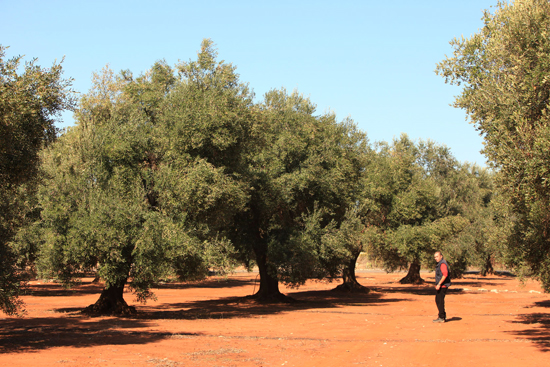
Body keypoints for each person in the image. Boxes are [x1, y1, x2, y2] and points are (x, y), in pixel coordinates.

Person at [433, 251, 451, 323]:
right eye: (435, 257)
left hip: (443, 286)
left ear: (441, 256)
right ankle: (442, 316)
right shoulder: (440, 263)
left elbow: (445, 274)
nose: (436, 258)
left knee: (440, 301)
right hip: (441, 285)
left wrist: (439, 284)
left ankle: (442, 317)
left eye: (437, 256)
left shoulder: (442, 264)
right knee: (438, 300)